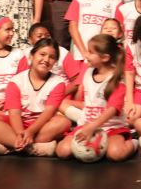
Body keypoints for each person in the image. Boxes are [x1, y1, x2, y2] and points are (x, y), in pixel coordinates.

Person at [0, 38, 71, 156]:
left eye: (52, 57)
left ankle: (10, 146)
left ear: (55, 62)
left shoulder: (58, 83)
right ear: (32, 56)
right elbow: (14, 113)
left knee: (64, 122)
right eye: (42, 54)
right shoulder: (16, 81)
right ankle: (32, 147)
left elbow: (49, 112)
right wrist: (20, 133)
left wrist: (31, 131)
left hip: (42, 125)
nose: (46, 60)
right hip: (18, 124)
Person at [56, 34, 133, 162]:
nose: (86, 55)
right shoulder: (88, 72)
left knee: (115, 154)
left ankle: (134, 143)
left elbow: (112, 110)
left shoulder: (117, 79)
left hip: (111, 127)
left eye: (91, 52)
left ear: (105, 58)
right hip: (87, 123)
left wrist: (92, 127)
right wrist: (87, 126)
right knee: (62, 151)